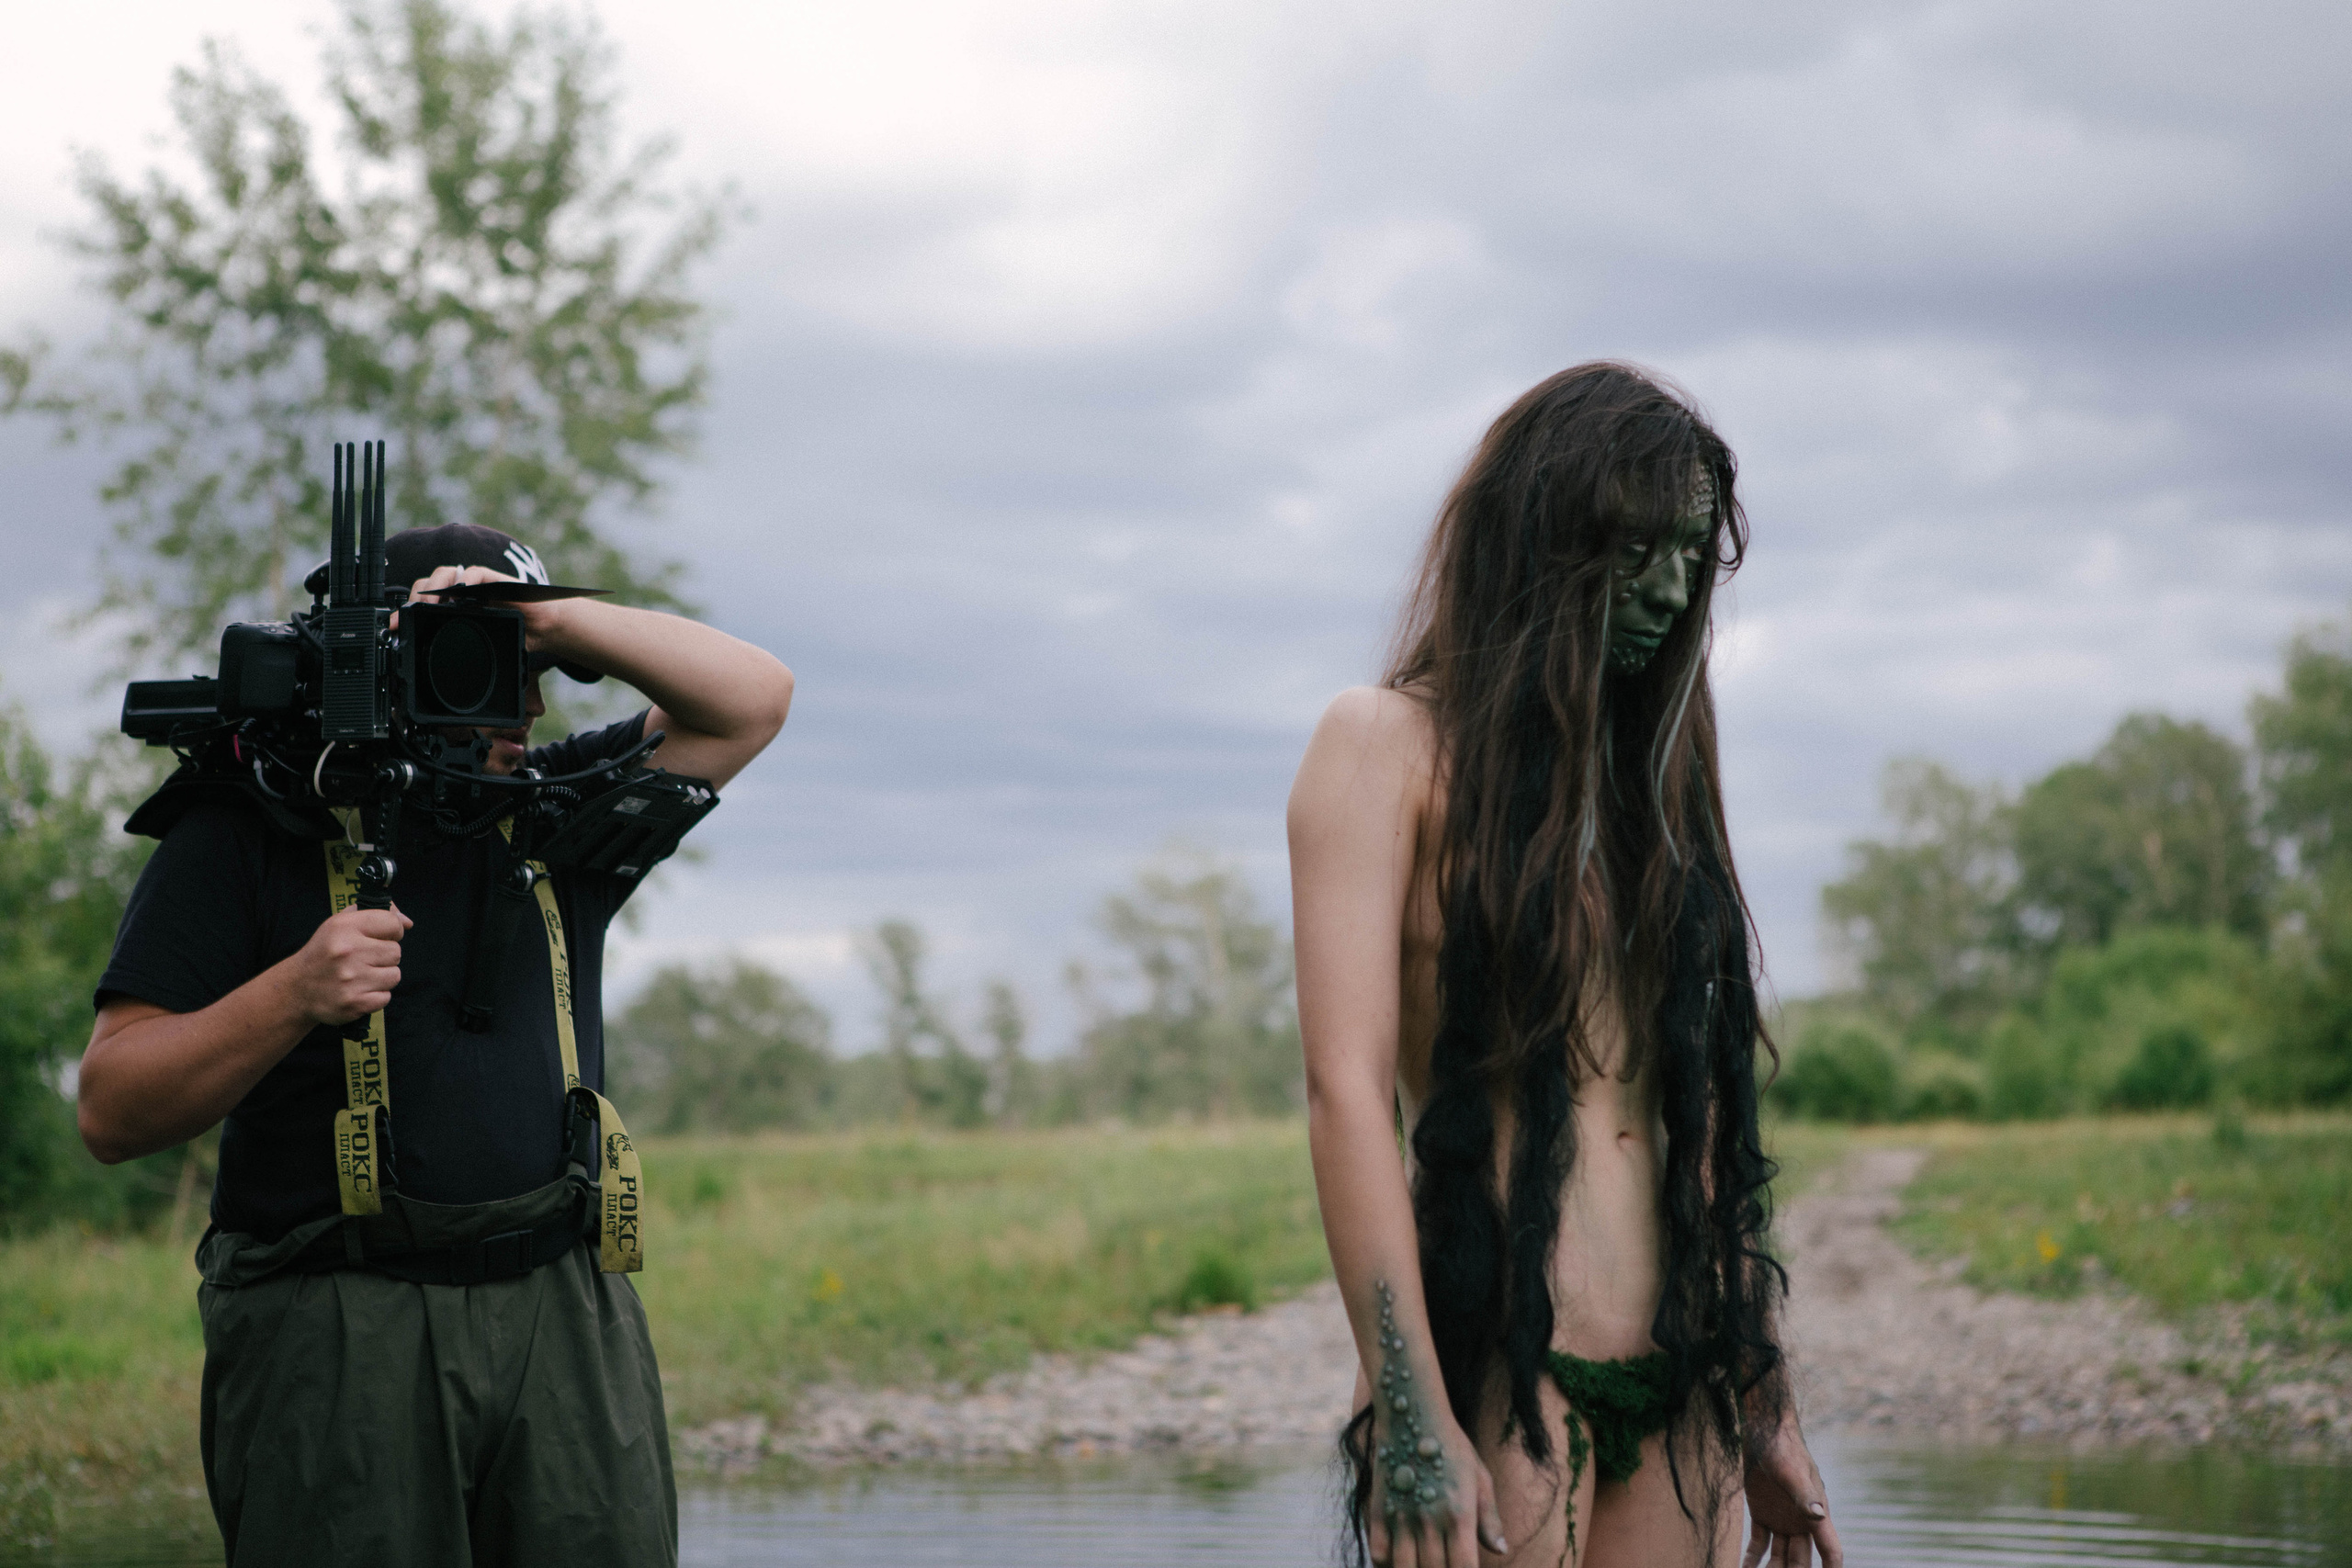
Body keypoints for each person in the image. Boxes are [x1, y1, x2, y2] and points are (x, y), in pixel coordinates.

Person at [77, 523, 794, 1568]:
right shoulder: (246, 824)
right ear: (408, 666)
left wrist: (540, 614)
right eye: (508, 673)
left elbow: (752, 699)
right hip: (336, 1322)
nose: (539, 706)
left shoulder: (552, 811)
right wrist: (292, 994)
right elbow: (110, 1108)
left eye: (542, 672)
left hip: (563, 1311)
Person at [1288, 363, 1841, 1568]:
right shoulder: (1382, 746)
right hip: (1504, 1373)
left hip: (1683, 1382)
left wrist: (1766, 1401)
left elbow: (1694, 1116)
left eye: (1694, 550)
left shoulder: (1657, 780)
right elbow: (1345, 1090)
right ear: (1544, 542)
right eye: (1636, 547)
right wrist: (1411, 1414)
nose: (1672, 584)